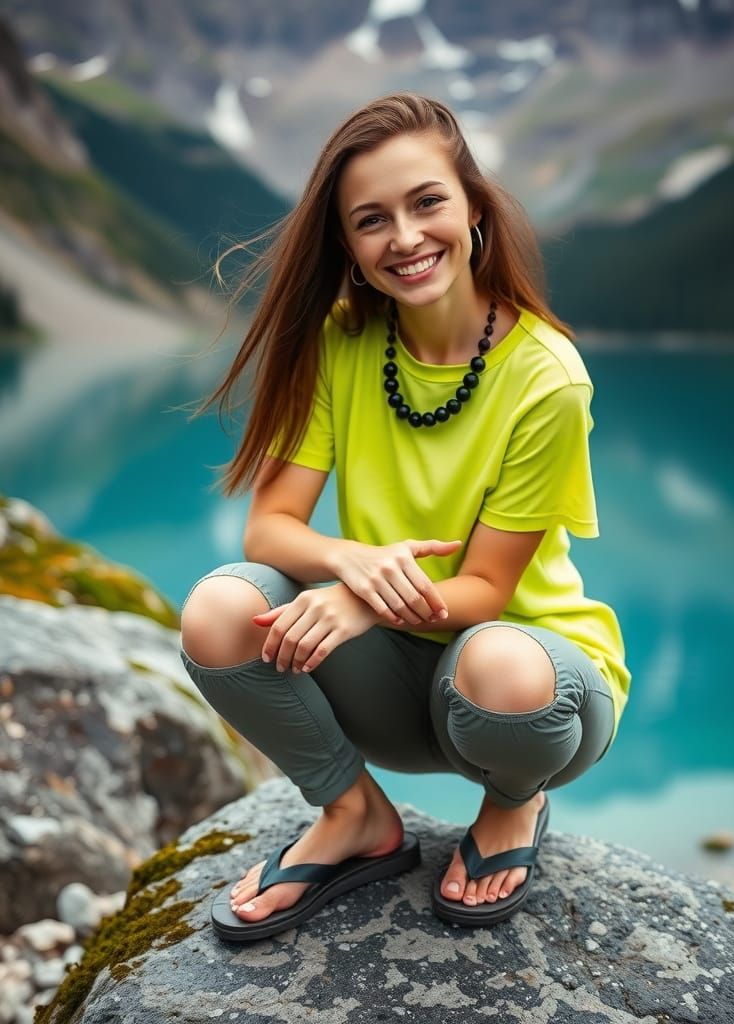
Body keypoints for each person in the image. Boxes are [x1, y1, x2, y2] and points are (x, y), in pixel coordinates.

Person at [178, 92, 631, 942]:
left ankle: (512, 805)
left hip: (526, 694)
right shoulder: (335, 339)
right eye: (371, 220)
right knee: (220, 608)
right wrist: (354, 564)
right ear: (347, 246)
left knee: (500, 670)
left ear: (474, 208)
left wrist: (362, 598)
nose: (407, 238)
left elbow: (490, 590)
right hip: (395, 686)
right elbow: (270, 530)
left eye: (427, 202)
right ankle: (352, 817)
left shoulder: (548, 376)